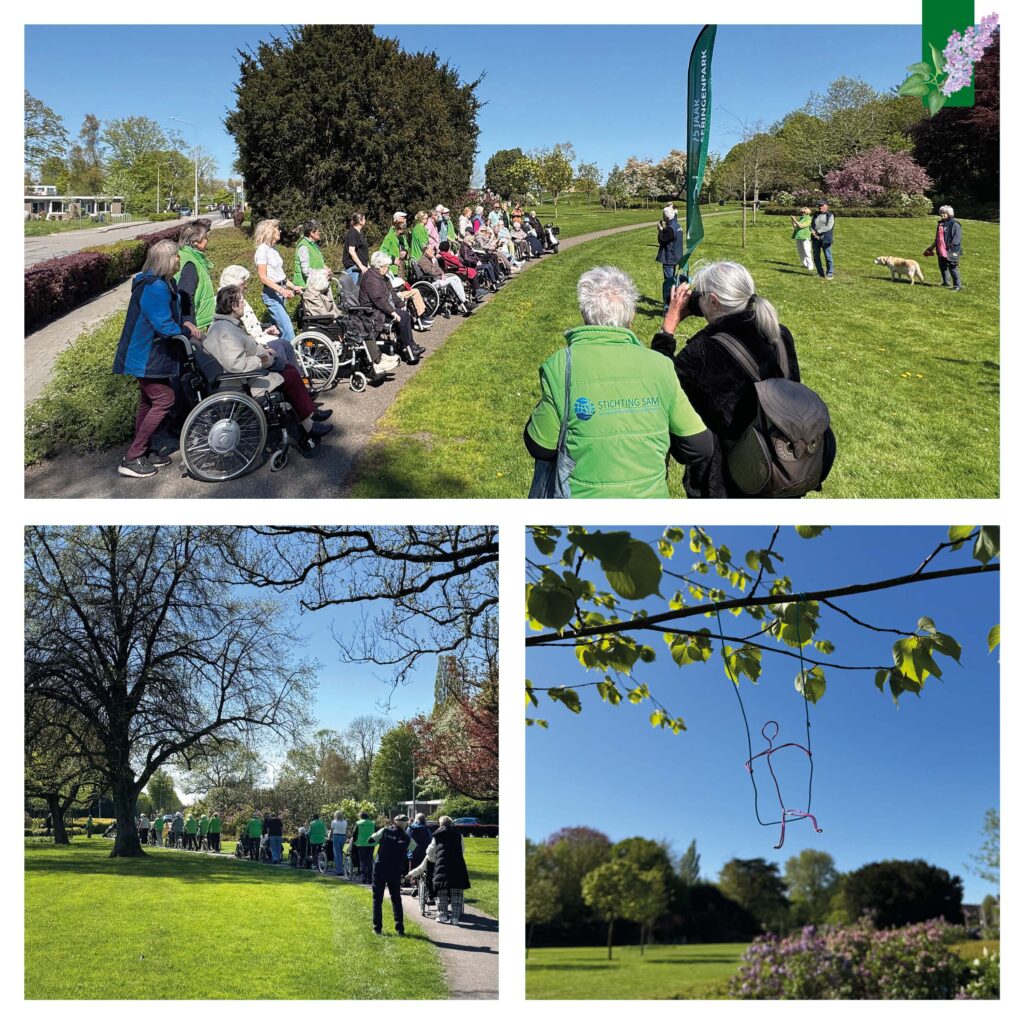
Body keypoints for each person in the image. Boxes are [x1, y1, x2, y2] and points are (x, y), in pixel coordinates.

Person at [651, 260, 835, 498]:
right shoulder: (779, 334)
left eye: (700, 296)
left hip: (728, 483)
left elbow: (657, 386)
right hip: (784, 466)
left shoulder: (703, 351)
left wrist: (669, 327)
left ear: (713, 300)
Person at [524, 266, 712, 498]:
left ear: (585, 315)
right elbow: (699, 446)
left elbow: (540, 445)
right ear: (631, 316)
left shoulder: (562, 365)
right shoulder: (659, 366)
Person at [203, 285, 333, 445]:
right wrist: (264, 359)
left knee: (288, 368)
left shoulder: (227, 325)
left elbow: (246, 348)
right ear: (234, 305)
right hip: (242, 381)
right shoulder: (224, 331)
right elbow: (237, 364)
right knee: (290, 375)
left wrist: (266, 351)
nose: (244, 304)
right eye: (242, 301)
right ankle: (309, 425)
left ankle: (310, 413)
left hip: (248, 374)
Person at [112, 239, 197, 478]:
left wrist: (183, 324)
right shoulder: (155, 287)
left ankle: (144, 450)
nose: (179, 260)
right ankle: (132, 457)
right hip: (147, 354)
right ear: (166, 260)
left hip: (152, 354)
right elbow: (164, 325)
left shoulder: (163, 284)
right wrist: (187, 331)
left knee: (148, 402)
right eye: (176, 256)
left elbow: (169, 319)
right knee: (165, 399)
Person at [302, 268, 400, 375]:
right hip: (326, 325)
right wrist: (340, 317)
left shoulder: (321, 291)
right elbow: (322, 314)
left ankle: (377, 357)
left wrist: (342, 315)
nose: (328, 283)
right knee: (359, 328)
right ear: (319, 281)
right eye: (327, 280)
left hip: (332, 321)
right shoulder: (311, 296)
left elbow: (334, 309)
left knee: (362, 324)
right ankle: (377, 360)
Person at [218, 265, 298, 373]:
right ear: (233, 285)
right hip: (250, 345)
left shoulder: (240, 300)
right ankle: (286, 379)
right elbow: (240, 332)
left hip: (256, 339)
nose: (245, 286)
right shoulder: (227, 303)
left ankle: (296, 376)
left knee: (285, 344)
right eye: (243, 283)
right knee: (279, 347)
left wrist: (265, 331)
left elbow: (249, 327)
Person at [359, 251, 424, 364]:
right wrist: (393, 312)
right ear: (379, 267)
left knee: (404, 314)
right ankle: (407, 348)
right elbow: (378, 300)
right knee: (403, 316)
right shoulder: (371, 279)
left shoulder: (382, 277)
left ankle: (409, 345)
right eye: (386, 267)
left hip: (382, 308)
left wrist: (400, 304)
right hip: (373, 312)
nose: (388, 269)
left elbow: (392, 293)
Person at [254, 219, 302, 342]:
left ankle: (279, 357)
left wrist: (293, 287)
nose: (280, 231)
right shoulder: (262, 250)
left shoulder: (274, 249)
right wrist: (282, 290)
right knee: (288, 330)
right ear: (269, 231)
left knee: (279, 331)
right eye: (277, 229)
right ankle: (290, 358)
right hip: (272, 294)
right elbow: (263, 277)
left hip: (280, 293)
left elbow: (282, 277)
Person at [369, 814, 411, 935]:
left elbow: (371, 839)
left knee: (377, 899)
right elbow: (413, 849)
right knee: (396, 899)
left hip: (380, 868)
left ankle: (377, 928)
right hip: (395, 870)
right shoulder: (407, 837)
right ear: (406, 824)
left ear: (394, 821)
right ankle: (400, 928)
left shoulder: (385, 831)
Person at [425, 815, 470, 926]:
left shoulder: (437, 835)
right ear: (451, 823)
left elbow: (430, 851)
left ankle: (443, 915)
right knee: (457, 892)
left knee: (442, 891)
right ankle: (455, 918)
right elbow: (462, 849)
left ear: (440, 824)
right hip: (457, 865)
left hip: (442, 865)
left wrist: (433, 858)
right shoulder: (458, 835)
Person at [176, 220, 216, 335]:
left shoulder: (191, 256)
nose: (207, 240)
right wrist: (189, 323)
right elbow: (186, 295)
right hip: (195, 325)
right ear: (195, 242)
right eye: (205, 238)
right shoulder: (190, 262)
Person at [416, 242, 473, 314]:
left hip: (437, 278)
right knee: (452, 281)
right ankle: (464, 302)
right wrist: (439, 272)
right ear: (426, 250)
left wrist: (441, 273)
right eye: (432, 249)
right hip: (431, 281)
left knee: (455, 278)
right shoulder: (422, 260)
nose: (434, 251)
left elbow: (440, 270)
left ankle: (464, 301)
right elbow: (431, 272)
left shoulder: (430, 259)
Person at [923, 204, 963, 290]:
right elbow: (937, 238)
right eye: (941, 213)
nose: (942, 214)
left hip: (952, 250)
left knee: (952, 268)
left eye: (944, 213)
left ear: (949, 214)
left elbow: (957, 238)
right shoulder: (941, 224)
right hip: (941, 250)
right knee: (942, 266)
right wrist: (931, 248)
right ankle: (946, 282)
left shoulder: (955, 224)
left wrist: (950, 246)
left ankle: (957, 286)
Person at [656, 204, 683, 309]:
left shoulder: (670, 229)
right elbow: (673, 217)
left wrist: (660, 230)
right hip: (676, 256)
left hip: (669, 258)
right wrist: (673, 209)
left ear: (665, 217)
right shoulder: (677, 226)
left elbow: (662, 240)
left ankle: (668, 305)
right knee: (673, 281)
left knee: (669, 282)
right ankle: (674, 301)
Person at [294, 219, 331, 288]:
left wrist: (327, 269)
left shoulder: (314, 245)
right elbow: (305, 270)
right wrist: (323, 272)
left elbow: (319, 262)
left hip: (316, 283)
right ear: (311, 233)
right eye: (318, 231)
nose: (320, 233)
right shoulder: (304, 247)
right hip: (306, 285)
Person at [810, 200, 835, 280]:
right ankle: (820, 273)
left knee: (828, 256)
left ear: (826, 206)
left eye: (822, 205)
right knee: (816, 256)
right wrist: (813, 233)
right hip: (815, 238)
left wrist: (818, 232)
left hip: (825, 238)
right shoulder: (815, 214)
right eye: (819, 205)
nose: (820, 207)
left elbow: (829, 226)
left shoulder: (830, 215)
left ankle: (829, 273)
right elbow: (812, 225)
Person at [343, 212, 370, 282]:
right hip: (354, 269)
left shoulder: (359, 233)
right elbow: (351, 251)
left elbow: (361, 252)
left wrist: (367, 265)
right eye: (364, 218)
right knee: (355, 291)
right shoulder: (353, 232)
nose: (365, 220)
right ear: (360, 221)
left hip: (361, 268)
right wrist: (360, 265)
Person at [354, 810, 377, 884]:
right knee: (369, 861)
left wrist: (354, 841)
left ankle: (364, 877)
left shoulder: (358, 823)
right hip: (371, 844)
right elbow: (376, 833)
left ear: (360, 816)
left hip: (361, 844)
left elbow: (355, 833)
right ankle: (369, 878)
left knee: (362, 861)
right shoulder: (373, 823)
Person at [790, 207, 813, 271]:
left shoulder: (809, 219)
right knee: (800, 252)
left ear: (807, 213)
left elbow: (801, 226)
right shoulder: (801, 218)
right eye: (801, 212)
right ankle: (805, 264)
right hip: (798, 236)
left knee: (807, 251)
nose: (802, 213)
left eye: (803, 212)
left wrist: (795, 220)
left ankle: (810, 266)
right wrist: (792, 221)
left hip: (805, 237)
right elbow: (795, 226)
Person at [330, 811, 348, 877]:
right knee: (340, 853)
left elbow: (331, 831)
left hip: (336, 836)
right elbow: (345, 830)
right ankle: (341, 868)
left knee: (337, 854)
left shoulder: (333, 822)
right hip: (343, 836)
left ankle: (339, 870)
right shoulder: (345, 822)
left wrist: (329, 838)